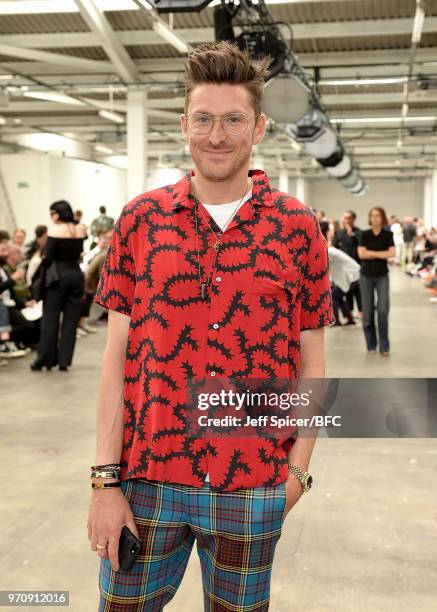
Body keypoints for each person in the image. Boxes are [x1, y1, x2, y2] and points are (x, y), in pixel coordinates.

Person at [88, 42, 332, 611]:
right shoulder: (141, 219)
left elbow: (312, 362)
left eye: (232, 119)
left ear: (259, 127)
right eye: (203, 118)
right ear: (184, 125)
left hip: (252, 484)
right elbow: (116, 359)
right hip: (146, 482)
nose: (216, 135)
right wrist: (104, 481)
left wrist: (298, 473)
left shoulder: (298, 227)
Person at [30, 200, 86, 371]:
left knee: (50, 319)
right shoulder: (81, 229)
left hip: (58, 277)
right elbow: (79, 251)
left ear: (59, 213)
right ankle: (64, 361)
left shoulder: (54, 231)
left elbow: (48, 258)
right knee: (71, 321)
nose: (51, 217)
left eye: (52, 213)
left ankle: (45, 360)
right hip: (76, 275)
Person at [358, 207, 395, 356]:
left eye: (378, 215)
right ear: (369, 218)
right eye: (372, 215)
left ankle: (384, 346)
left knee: (382, 310)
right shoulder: (364, 234)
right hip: (366, 276)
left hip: (382, 276)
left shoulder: (388, 234)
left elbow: (392, 253)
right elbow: (361, 254)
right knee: (367, 314)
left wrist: (371, 253)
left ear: (382, 218)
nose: (375, 218)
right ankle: (371, 344)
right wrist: (382, 254)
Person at [320, 221, 360, 326]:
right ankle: (349, 319)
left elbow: (322, 267)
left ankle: (336, 320)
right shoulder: (329, 250)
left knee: (333, 296)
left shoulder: (329, 251)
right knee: (338, 296)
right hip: (350, 276)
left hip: (352, 276)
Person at [332, 209, 362, 317]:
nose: (346, 220)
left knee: (357, 290)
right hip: (342, 267)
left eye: (348, 218)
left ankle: (361, 311)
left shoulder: (358, 232)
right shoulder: (340, 232)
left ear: (353, 219)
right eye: (345, 218)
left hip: (356, 266)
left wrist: (351, 234)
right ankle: (349, 312)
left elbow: (360, 245)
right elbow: (334, 245)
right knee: (347, 290)